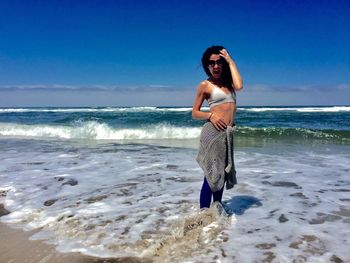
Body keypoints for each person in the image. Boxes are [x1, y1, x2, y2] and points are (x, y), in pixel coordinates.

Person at [192, 45, 243, 209]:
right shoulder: (205, 85)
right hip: (212, 133)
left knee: (221, 174)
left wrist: (230, 61)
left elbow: (240, 85)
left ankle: (217, 209)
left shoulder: (229, 84)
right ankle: (204, 214)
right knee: (211, 176)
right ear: (207, 65)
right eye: (211, 63)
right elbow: (194, 113)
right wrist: (211, 115)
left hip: (226, 135)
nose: (215, 66)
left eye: (219, 62)